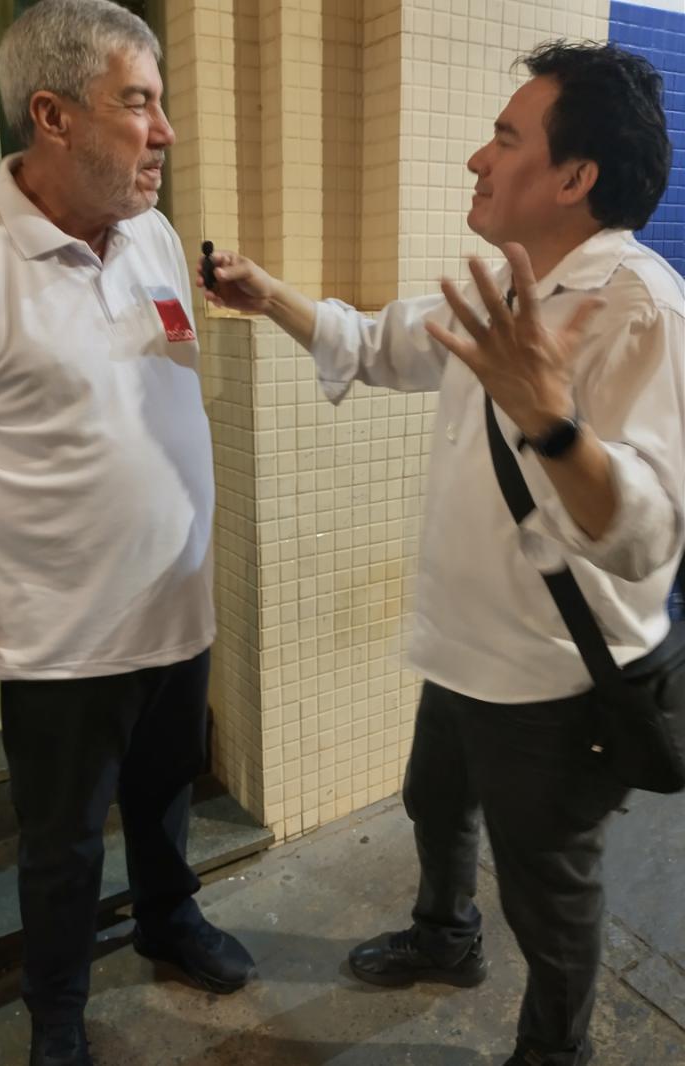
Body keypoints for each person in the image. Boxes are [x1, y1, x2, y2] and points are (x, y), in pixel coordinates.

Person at [198, 41, 684, 1066]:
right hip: (465, 649)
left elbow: (649, 533)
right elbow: (380, 341)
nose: (476, 158)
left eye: (504, 138)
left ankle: (553, 1052)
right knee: (434, 803)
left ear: (573, 177)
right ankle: (444, 936)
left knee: (548, 889)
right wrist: (265, 293)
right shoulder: (507, 290)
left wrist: (553, 425)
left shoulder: (640, 307)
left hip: (553, 682)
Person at [0, 2, 255, 1064]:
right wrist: (18, 532)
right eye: (138, 103)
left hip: (176, 605)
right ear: (51, 115)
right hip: (60, 637)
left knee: (166, 794)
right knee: (60, 842)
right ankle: (56, 1004)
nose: (165, 131)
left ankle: (169, 917)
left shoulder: (151, 236)